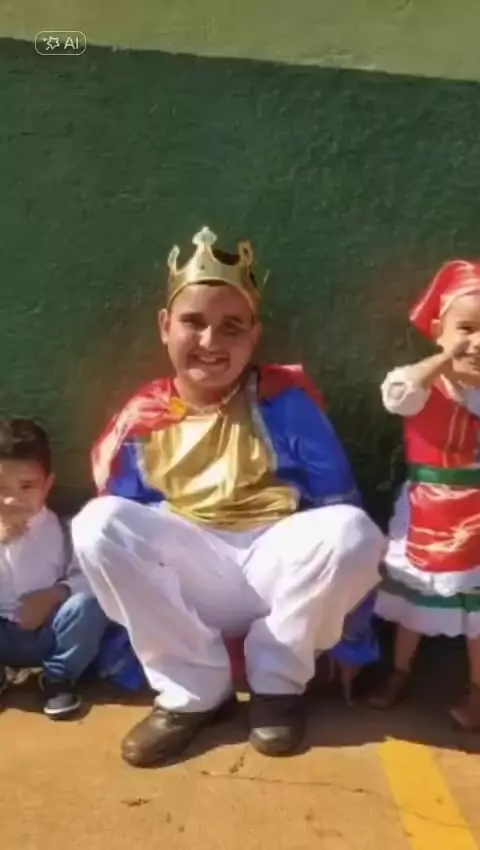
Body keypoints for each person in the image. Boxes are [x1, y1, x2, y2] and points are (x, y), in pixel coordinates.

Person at [71, 226, 384, 766]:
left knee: (353, 531)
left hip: (275, 565)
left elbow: (340, 502)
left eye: (231, 326)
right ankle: (193, 691)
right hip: (193, 571)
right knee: (98, 525)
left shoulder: (285, 403)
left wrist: (355, 639)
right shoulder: (143, 417)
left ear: (254, 336)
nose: (211, 342)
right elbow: (124, 552)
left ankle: (277, 686)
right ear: (165, 326)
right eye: (193, 322)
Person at [371, 260, 480, 732]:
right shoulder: (422, 385)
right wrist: (446, 358)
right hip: (427, 512)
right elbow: (397, 394)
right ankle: (400, 673)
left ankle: (477, 692)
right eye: (466, 329)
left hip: (477, 516)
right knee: (414, 600)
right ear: (438, 331)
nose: (477, 342)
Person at [0, 418, 107, 718]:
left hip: (49, 633)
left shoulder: (65, 529)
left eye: (27, 486)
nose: (12, 498)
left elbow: (88, 578)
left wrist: (52, 595)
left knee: (89, 605)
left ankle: (58, 676)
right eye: (0, 487)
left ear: (47, 485)